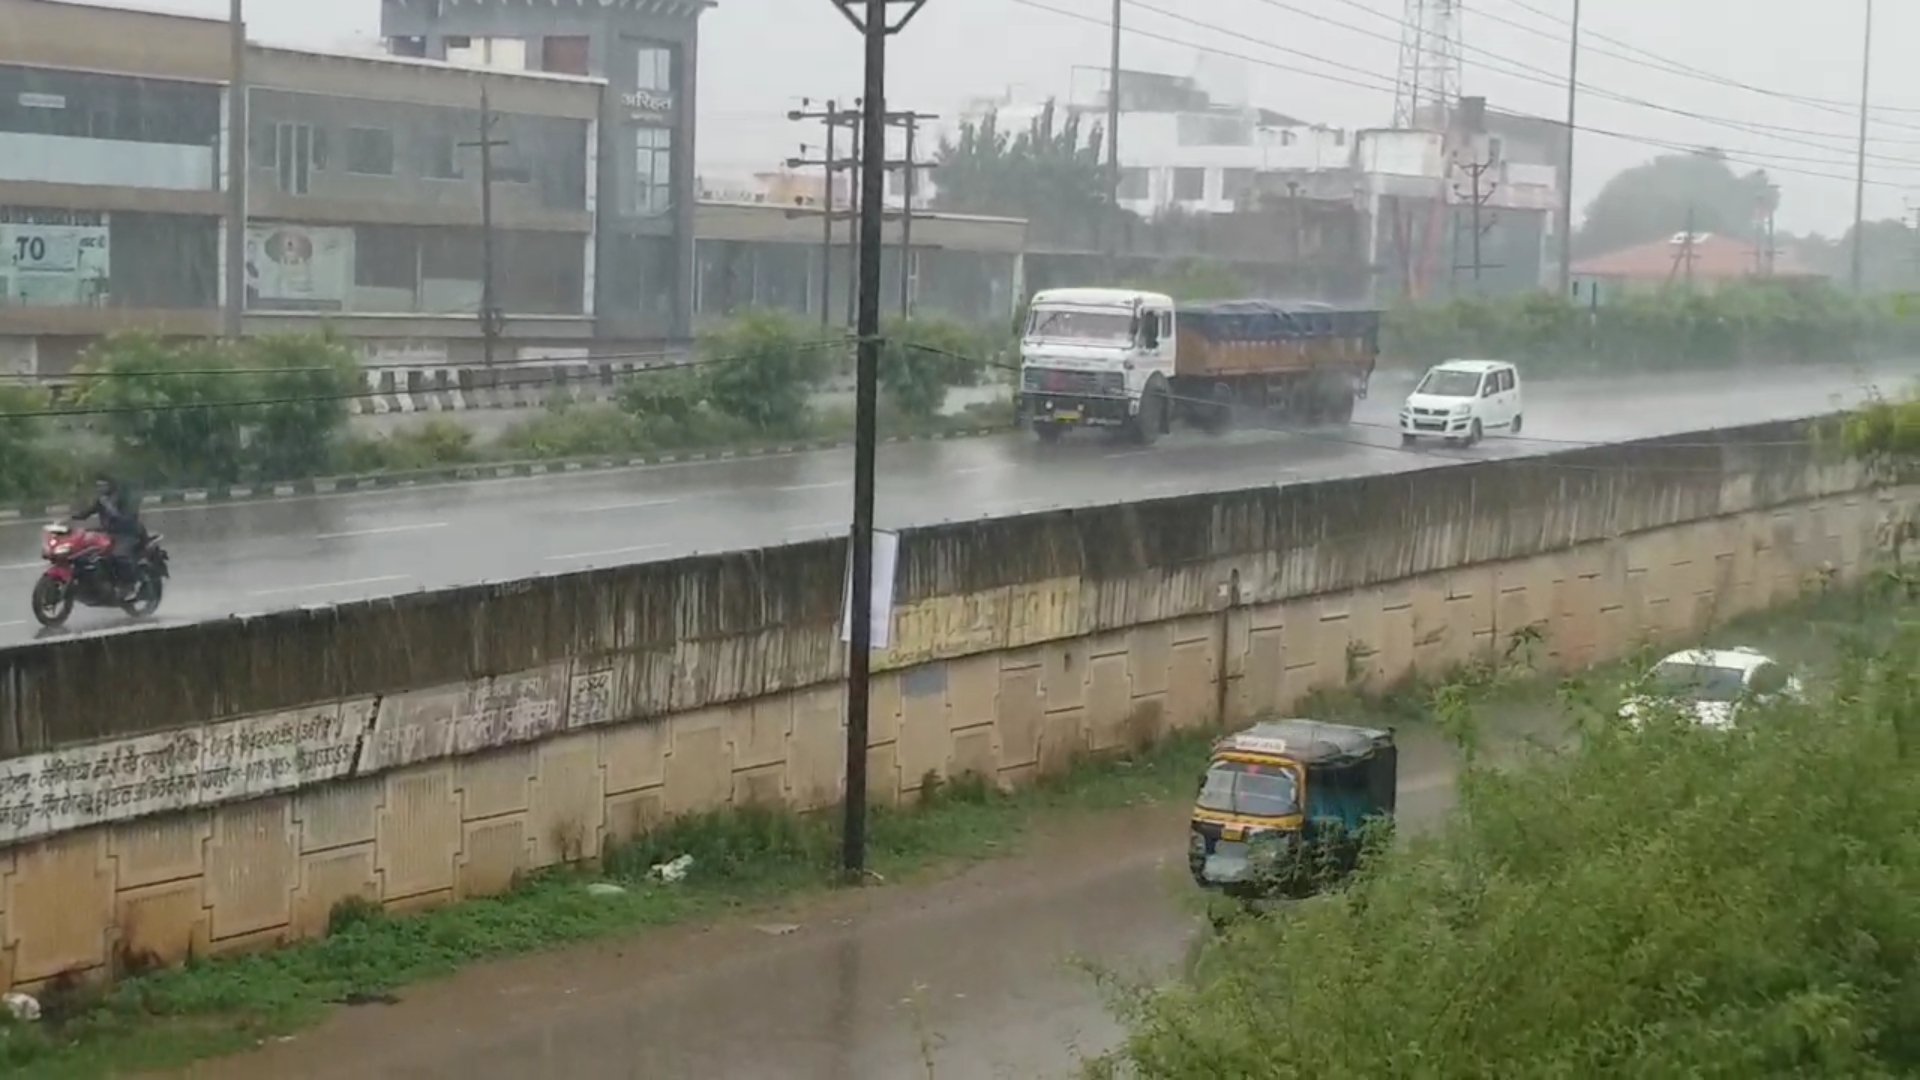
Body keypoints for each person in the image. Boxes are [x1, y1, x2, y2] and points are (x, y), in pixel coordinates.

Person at [73, 474, 143, 599]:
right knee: (85, 549)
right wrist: (71, 517)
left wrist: (109, 506)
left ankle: (127, 585)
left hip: (127, 533)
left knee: (118, 555)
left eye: (103, 485)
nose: (99, 488)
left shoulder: (123, 498)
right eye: (98, 486)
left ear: (110, 486)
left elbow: (127, 518)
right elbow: (86, 513)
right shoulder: (101, 500)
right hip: (108, 533)